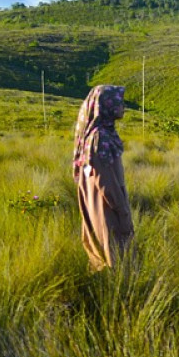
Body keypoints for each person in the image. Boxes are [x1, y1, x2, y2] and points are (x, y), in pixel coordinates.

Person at [72, 84, 134, 270]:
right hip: (107, 208)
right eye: (119, 102)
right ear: (105, 104)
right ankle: (118, 293)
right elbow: (105, 181)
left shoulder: (94, 134)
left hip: (96, 204)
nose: (123, 106)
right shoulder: (101, 137)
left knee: (101, 251)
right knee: (116, 254)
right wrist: (122, 210)